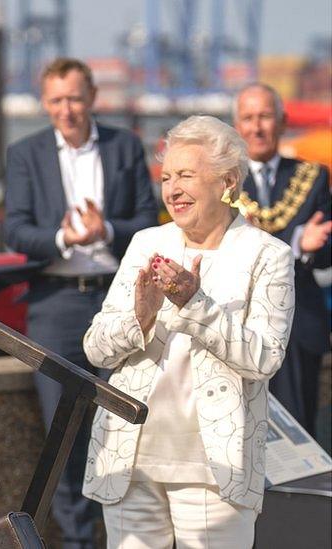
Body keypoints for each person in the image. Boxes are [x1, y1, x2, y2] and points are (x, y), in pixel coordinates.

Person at [83, 115, 294, 548]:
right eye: (166, 177)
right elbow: (95, 349)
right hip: (129, 462)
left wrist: (195, 305)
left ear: (228, 182)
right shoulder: (146, 243)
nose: (172, 189)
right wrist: (139, 319)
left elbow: (265, 359)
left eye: (186, 176)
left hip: (215, 469)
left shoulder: (268, 255)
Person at [2, 57, 158, 548]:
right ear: (45, 104)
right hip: (55, 304)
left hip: (118, 301)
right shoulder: (25, 153)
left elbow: (149, 222)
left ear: (91, 98)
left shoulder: (125, 147)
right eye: (56, 101)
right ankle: (76, 542)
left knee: (125, 427)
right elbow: (17, 230)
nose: (66, 110)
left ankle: (126, 535)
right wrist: (65, 238)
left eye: (73, 98)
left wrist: (105, 230)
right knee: (62, 435)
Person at [233, 82, 331, 435]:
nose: (256, 127)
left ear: (282, 121)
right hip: (237, 324)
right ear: (237, 126)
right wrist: (295, 241)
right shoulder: (224, 182)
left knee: (299, 434)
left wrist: (313, 245)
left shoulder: (312, 176)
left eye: (264, 116)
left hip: (298, 325)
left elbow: (326, 257)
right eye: (248, 118)